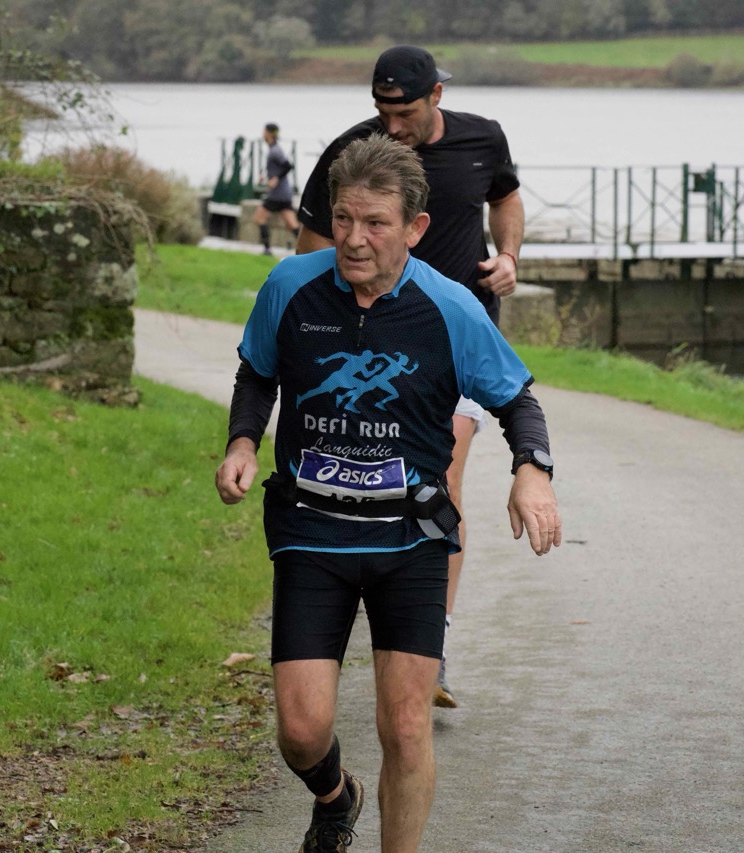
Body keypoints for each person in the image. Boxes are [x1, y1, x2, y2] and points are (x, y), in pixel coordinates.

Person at [215, 134, 560, 853]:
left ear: (414, 228)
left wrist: (532, 470)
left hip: (411, 539)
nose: (353, 238)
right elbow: (257, 372)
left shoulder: (451, 306)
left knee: (404, 726)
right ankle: (335, 795)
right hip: (311, 532)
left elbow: (517, 400)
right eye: (343, 219)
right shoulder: (290, 286)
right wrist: (243, 442)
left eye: (375, 223)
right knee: (301, 730)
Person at [295, 44, 525, 709]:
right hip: (375, 347)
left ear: (437, 97)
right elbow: (312, 248)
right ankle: (342, 617)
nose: (392, 127)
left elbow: (506, 198)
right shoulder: (353, 154)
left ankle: (431, 645)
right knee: (367, 480)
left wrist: (509, 256)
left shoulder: (483, 140)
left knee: (440, 476)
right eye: (382, 111)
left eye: (406, 113)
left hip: (457, 343)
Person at [255, 122, 301, 255]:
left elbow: (288, 166)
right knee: (292, 224)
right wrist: (268, 177)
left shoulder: (275, 151)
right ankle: (309, 250)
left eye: (264, 131)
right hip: (284, 194)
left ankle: (267, 249)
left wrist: (276, 178)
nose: (262, 134)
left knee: (259, 217)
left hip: (277, 194)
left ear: (269, 134)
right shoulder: (274, 149)